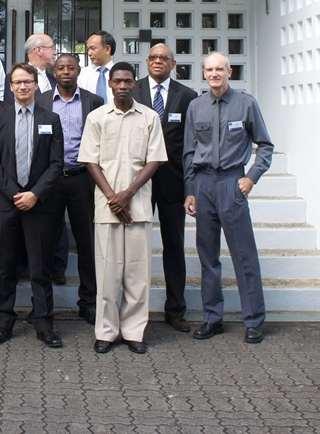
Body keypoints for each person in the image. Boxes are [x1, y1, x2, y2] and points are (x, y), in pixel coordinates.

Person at [183, 51, 275, 345]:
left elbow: (266, 145)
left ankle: (253, 321)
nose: (214, 74)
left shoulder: (246, 104)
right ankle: (213, 318)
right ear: (204, 74)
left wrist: (251, 177)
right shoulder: (196, 106)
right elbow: (188, 153)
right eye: (209, 69)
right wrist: (189, 191)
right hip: (204, 185)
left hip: (232, 183)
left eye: (219, 69)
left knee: (244, 255)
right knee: (208, 257)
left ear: (229, 72)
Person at [78, 62, 167, 355]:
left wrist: (127, 194)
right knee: (106, 275)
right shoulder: (96, 117)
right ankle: (106, 331)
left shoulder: (150, 117)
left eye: (128, 81)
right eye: (118, 81)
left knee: (137, 276)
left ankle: (134, 332)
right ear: (111, 84)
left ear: (135, 83)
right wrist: (112, 198)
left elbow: (153, 160)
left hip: (139, 207)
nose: (123, 86)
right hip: (106, 209)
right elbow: (91, 160)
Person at [0, 63, 65, 348]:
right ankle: (3, 324)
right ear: (10, 86)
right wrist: (14, 193)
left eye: (27, 82)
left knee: (39, 267)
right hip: (5, 204)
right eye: (17, 82)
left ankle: (44, 325)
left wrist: (34, 194)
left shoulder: (50, 118)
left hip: (39, 205)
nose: (22, 87)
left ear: (35, 84)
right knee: (4, 267)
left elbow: (56, 164)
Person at [133, 43, 197, 334]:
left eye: (164, 58)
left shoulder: (188, 97)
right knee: (134, 247)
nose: (158, 61)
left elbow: (190, 145)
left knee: (174, 246)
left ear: (173, 64)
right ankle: (133, 312)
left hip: (173, 181)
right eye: (153, 58)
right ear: (146, 62)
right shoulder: (131, 90)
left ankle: (175, 309)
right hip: (137, 182)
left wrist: (190, 187)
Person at [37, 53, 104, 325]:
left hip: (82, 178)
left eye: (71, 68)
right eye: (61, 67)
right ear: (54, 71)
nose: (66, 72)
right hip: (49, 180)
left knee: (87, 243)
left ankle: (88, 302)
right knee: (43, 243)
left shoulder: (94, 101)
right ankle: (41, 306)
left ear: (79, 71)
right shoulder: (40, 101)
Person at [77, 30, 117, 107]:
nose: (89, 53)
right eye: (88, 49)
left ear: (107, 49)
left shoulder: (123, 74)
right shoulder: (82, 74)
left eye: (93, 48)